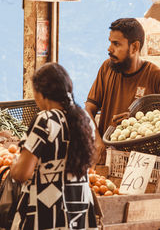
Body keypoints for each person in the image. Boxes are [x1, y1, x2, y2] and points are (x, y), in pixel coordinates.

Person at [10, 62, 97, 230]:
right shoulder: (85, 120)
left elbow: (22, 173)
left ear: (41, 93)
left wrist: (14, 165)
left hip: (46, 212)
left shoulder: (45, 120)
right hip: (78, 211)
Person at [85, 18, 160, 162]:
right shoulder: (106, 69)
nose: (109, 49)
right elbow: (88, 109)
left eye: (116, 44)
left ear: (134, 47)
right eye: (110, 42)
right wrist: (97, 141)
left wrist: (138, 122)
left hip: (142, 163)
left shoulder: (159, 78)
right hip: (108, 159)